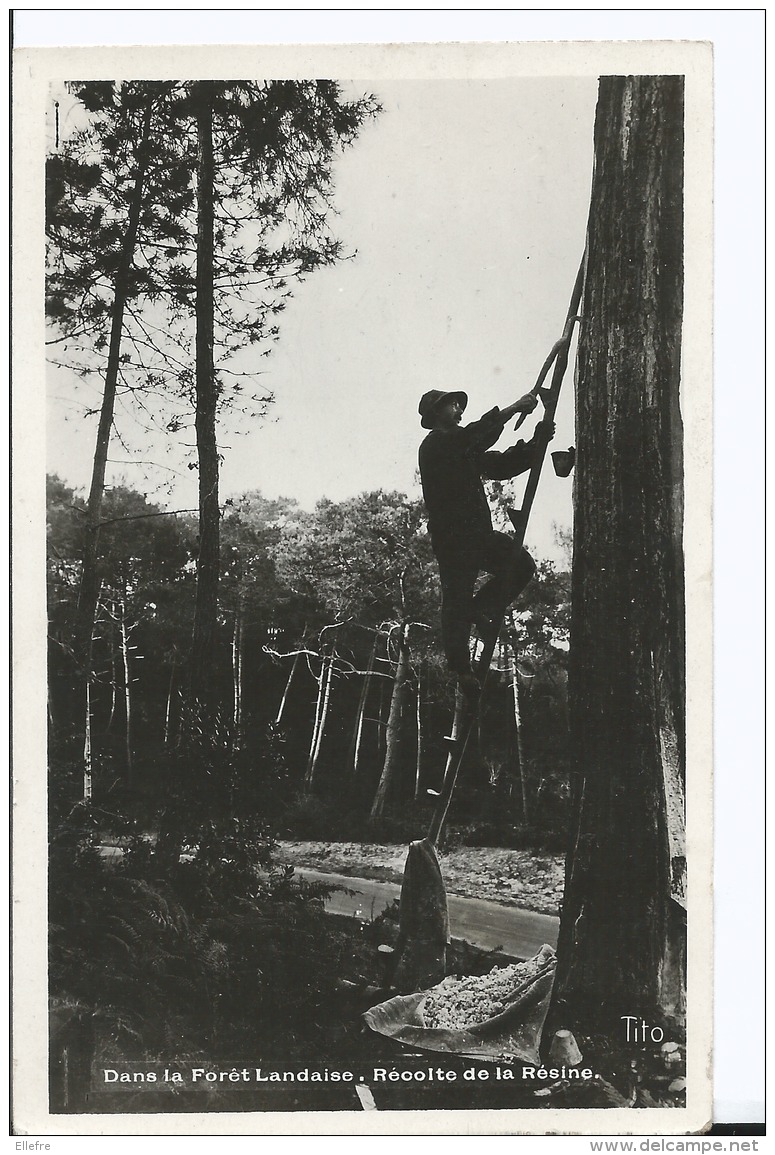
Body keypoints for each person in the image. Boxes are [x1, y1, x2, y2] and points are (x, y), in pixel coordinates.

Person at [418, 388, 554, 690]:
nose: (457, 408)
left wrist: (537, 443)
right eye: (451, 404)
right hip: (453, 539)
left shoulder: (462, 449)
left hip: (477, 534)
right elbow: (474, 436)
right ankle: (461, 671)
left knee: (520, 565)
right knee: (456, 599)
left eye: (457, 404)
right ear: (434, 414)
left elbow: (499, 465)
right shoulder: (436, 445)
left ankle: (484, 607)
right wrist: (514, 407)